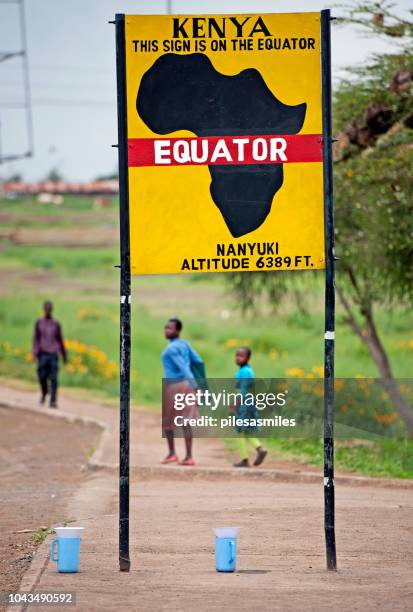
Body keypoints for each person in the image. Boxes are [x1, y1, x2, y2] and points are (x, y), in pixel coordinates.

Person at [161, 317, 203, 466]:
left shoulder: (171, 349)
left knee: (167, 421)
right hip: (187, 385)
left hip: (174, 386)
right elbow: (198, 361)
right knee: (186, 421)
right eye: (166, 328)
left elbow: (184, 368)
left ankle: (172, 454)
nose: (166, 330)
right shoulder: (185, 344)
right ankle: (189, 456)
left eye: (170, 328)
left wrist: (196, 387)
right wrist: (197, 385)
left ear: (177, 330)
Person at [232, 346, 267, 468]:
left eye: (241, 356)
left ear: (248, 358)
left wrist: (234, 406)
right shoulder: (245, 370)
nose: (238, 358)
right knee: (245, 431)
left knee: (240, 431)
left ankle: (245, 459)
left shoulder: (246, 372)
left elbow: (243, 391)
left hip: (245, 403)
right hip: (248, 402)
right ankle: (259, 449)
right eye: (237, 355)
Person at [32, 301, 67, 408]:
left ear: (51, 309)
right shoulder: (39, 322)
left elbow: (60, 340)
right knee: (42, 376)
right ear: (43, 309)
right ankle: (44, 392)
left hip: (53, 355)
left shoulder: (56, 324)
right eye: (46, 308)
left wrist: (64, 355)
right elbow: (36, 338)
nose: (47, 310)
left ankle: (53, 400)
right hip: (42, 354)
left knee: (54, 378)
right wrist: (34, 351)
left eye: (49, 308)